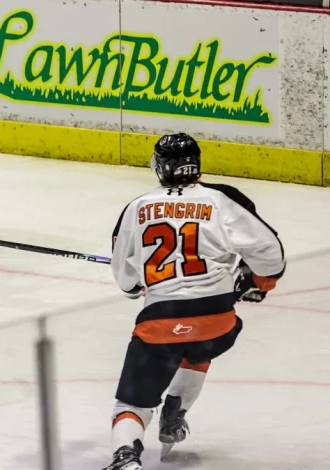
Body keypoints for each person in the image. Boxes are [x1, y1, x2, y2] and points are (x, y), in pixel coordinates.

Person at [104, 133, 286, 469]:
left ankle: (126, 457)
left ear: (159, 166)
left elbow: (126, 280)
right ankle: (177, 408)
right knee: (198, 342)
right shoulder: (221, 200)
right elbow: (270, 256)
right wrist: (258, 281)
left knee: (132, 403)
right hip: (217, 320)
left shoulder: (137, 207)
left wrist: (139, 286)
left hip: (159, 322)